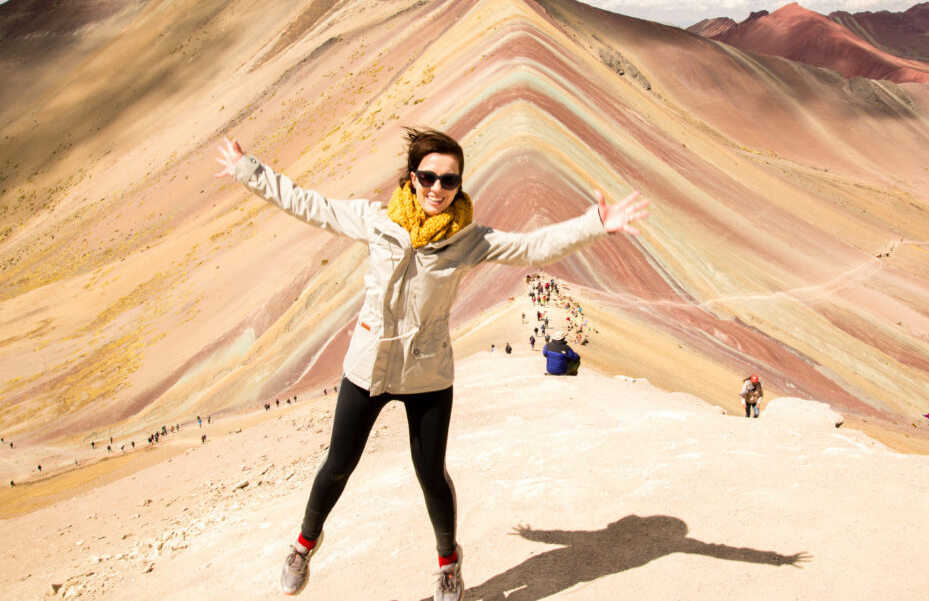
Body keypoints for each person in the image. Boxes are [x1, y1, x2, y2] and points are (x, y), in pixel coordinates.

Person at [215, 127, 648, 599]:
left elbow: (530, 247)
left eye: (449, 181)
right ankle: (303, 546)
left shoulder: (468, 240)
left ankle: (449, 566)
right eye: (428, 177)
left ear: (460, 185)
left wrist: (593, 224)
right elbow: (308, 204)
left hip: (428, 374)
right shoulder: (376, 221)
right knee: (338, 465)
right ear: (411, 177)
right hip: (368, 369)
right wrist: (247, 170)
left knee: (431, 474)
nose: (438, 189)